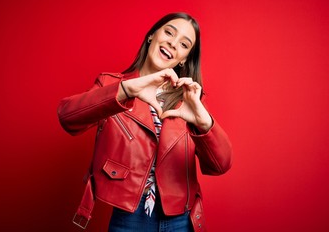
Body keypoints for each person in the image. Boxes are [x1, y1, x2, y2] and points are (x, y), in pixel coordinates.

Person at [57, 12, 232, 232]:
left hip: (181, 220)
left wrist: (204, 122)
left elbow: (221, 165)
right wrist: (126, 90)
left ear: (185, 58)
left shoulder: (190, 101)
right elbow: (67, 118)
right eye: (169, 32)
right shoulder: (113, 85)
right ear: (152, 35)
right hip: (130, 218)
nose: (173, 43)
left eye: (184, 44)